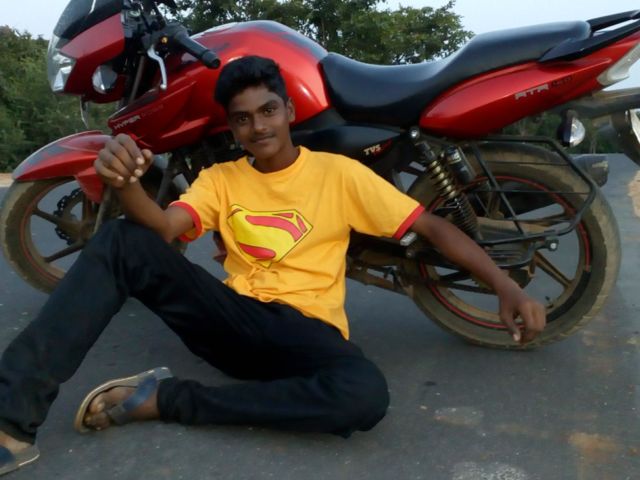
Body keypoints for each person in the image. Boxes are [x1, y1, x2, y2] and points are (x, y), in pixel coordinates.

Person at [0, 56, 546, 476]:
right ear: (232, 129)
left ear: (288, 111)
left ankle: (166, 400)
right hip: (233, 322)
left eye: (267, 111)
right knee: (123, 239)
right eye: (242, 120)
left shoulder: (338, 174)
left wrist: (504, 286)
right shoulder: (221, 180)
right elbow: (164, 228)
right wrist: (125, 185)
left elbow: (432, 227)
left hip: (308, 333)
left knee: (364, 395)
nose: (258, 127)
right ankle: (9, 422)